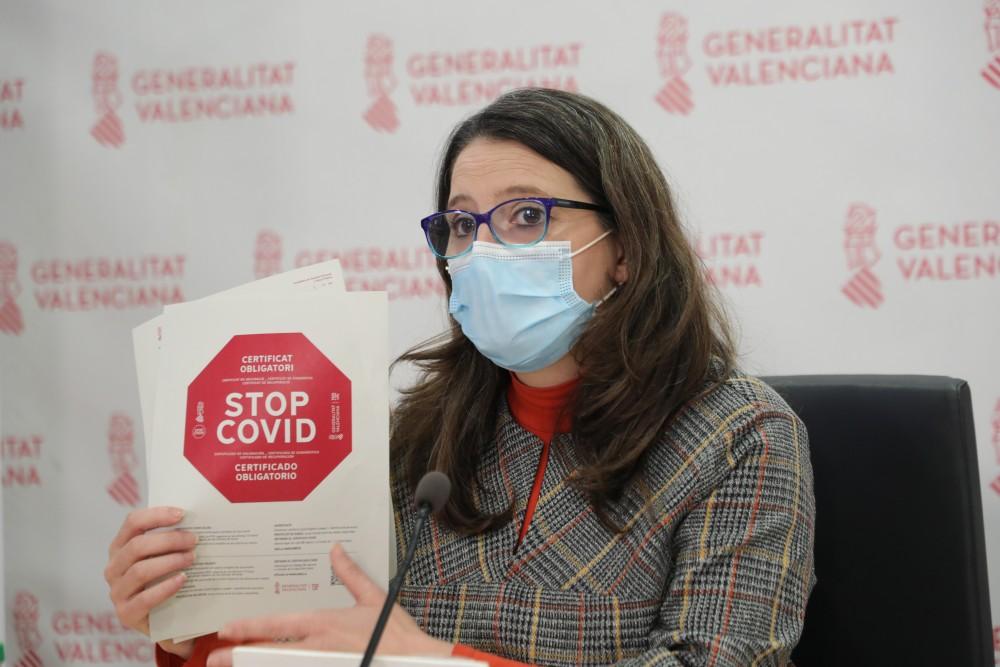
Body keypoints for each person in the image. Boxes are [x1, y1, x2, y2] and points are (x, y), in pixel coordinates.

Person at [105, 88, 815, 667]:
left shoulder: (738, 435)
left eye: (527, 215)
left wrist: (442, 663)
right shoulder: (415, 437)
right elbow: (324, 643)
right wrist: (190, 628)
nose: (483, 252)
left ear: (625, 247)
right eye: (464, 226)